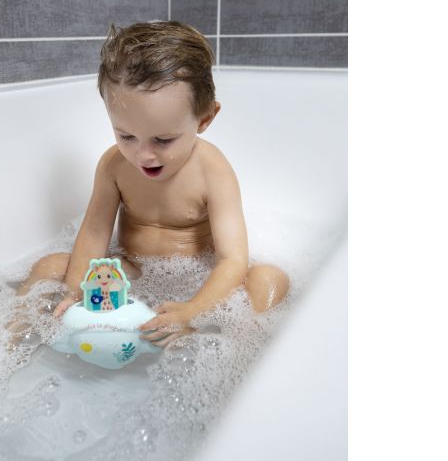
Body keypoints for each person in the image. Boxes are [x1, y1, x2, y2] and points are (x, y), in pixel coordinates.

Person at [16, 20, 289, 347]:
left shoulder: (213, 171)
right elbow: (94, 233)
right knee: (50, 266)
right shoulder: (114, 166)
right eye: (126, 136)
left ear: (204, 119)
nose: (143, 155)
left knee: (270, 279)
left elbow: (232, 259)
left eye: (163, 139)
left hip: (200, 280)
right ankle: (12, 337)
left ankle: (241, 348)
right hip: (130, 272)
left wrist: (193, 310)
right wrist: (77, 291)